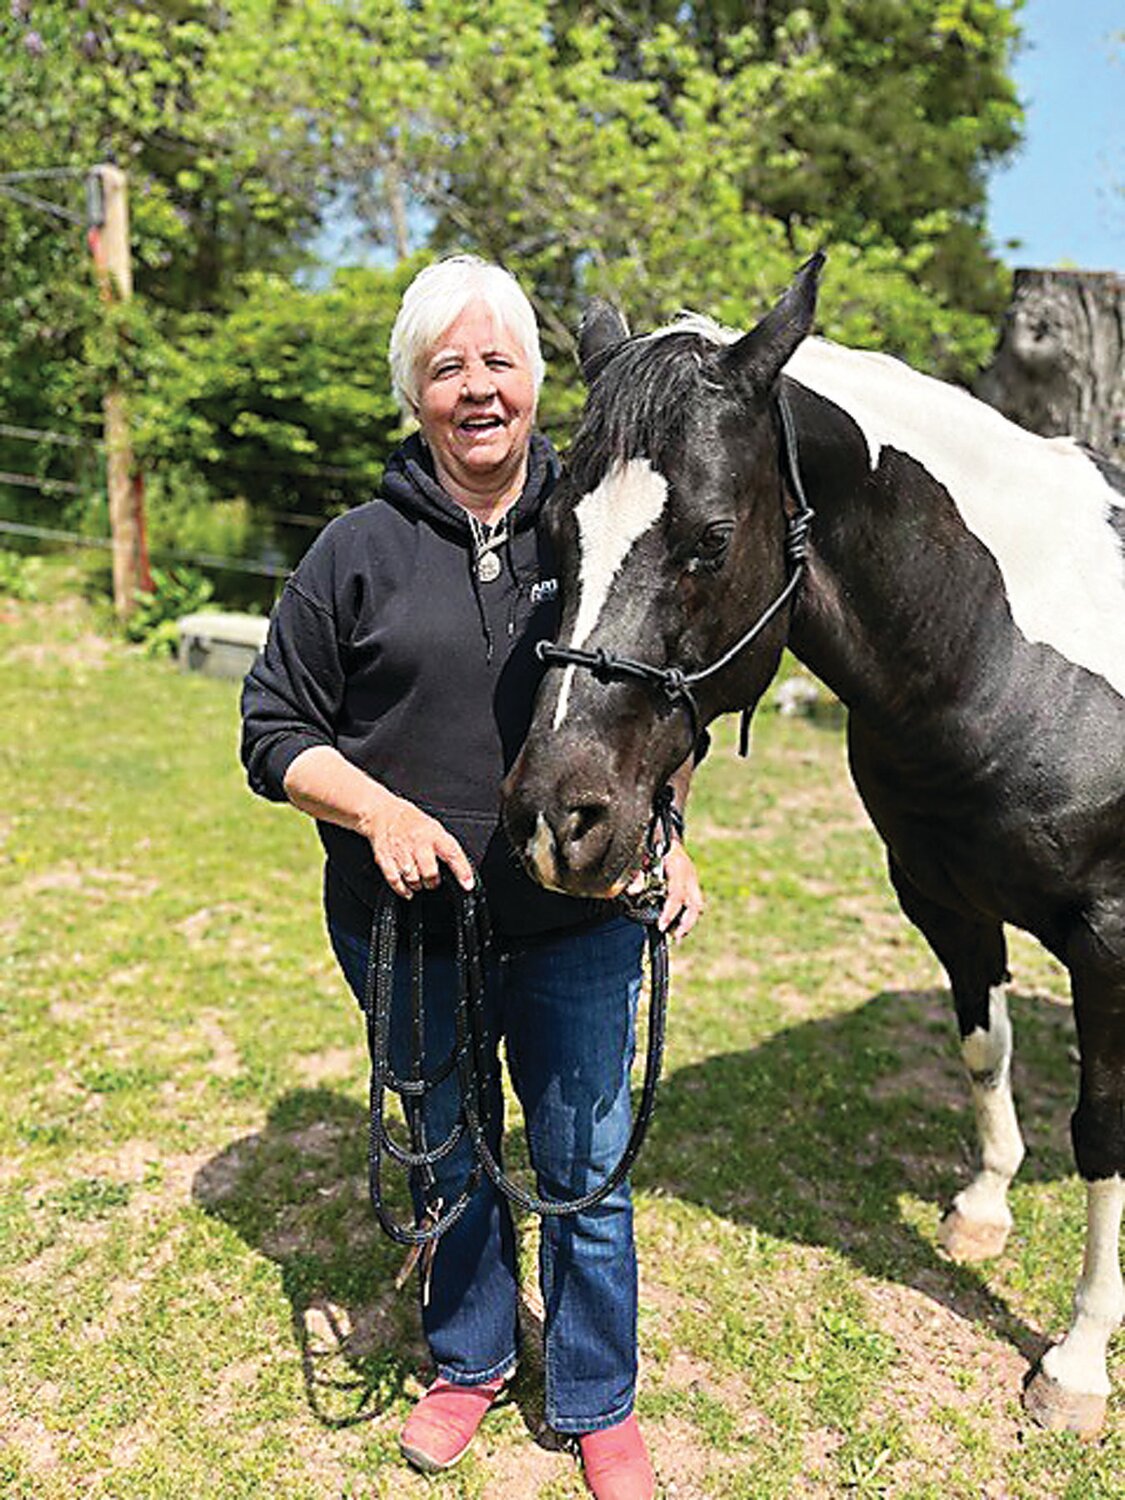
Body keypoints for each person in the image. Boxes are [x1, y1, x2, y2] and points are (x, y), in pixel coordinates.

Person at [240, 255, 703, 1500]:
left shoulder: (602, 516)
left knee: (584, 1172)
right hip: (410, 927)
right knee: (448, 1156)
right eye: (450, 368)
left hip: (578, 921)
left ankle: (599, 1397)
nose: (479, 388)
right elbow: (274, 730)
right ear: (416, 396)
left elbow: (671, 696)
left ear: (539, 385)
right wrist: (376, 806)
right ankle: (471, 1359)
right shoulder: (357, 551)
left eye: (500, 362)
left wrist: (671, 831)